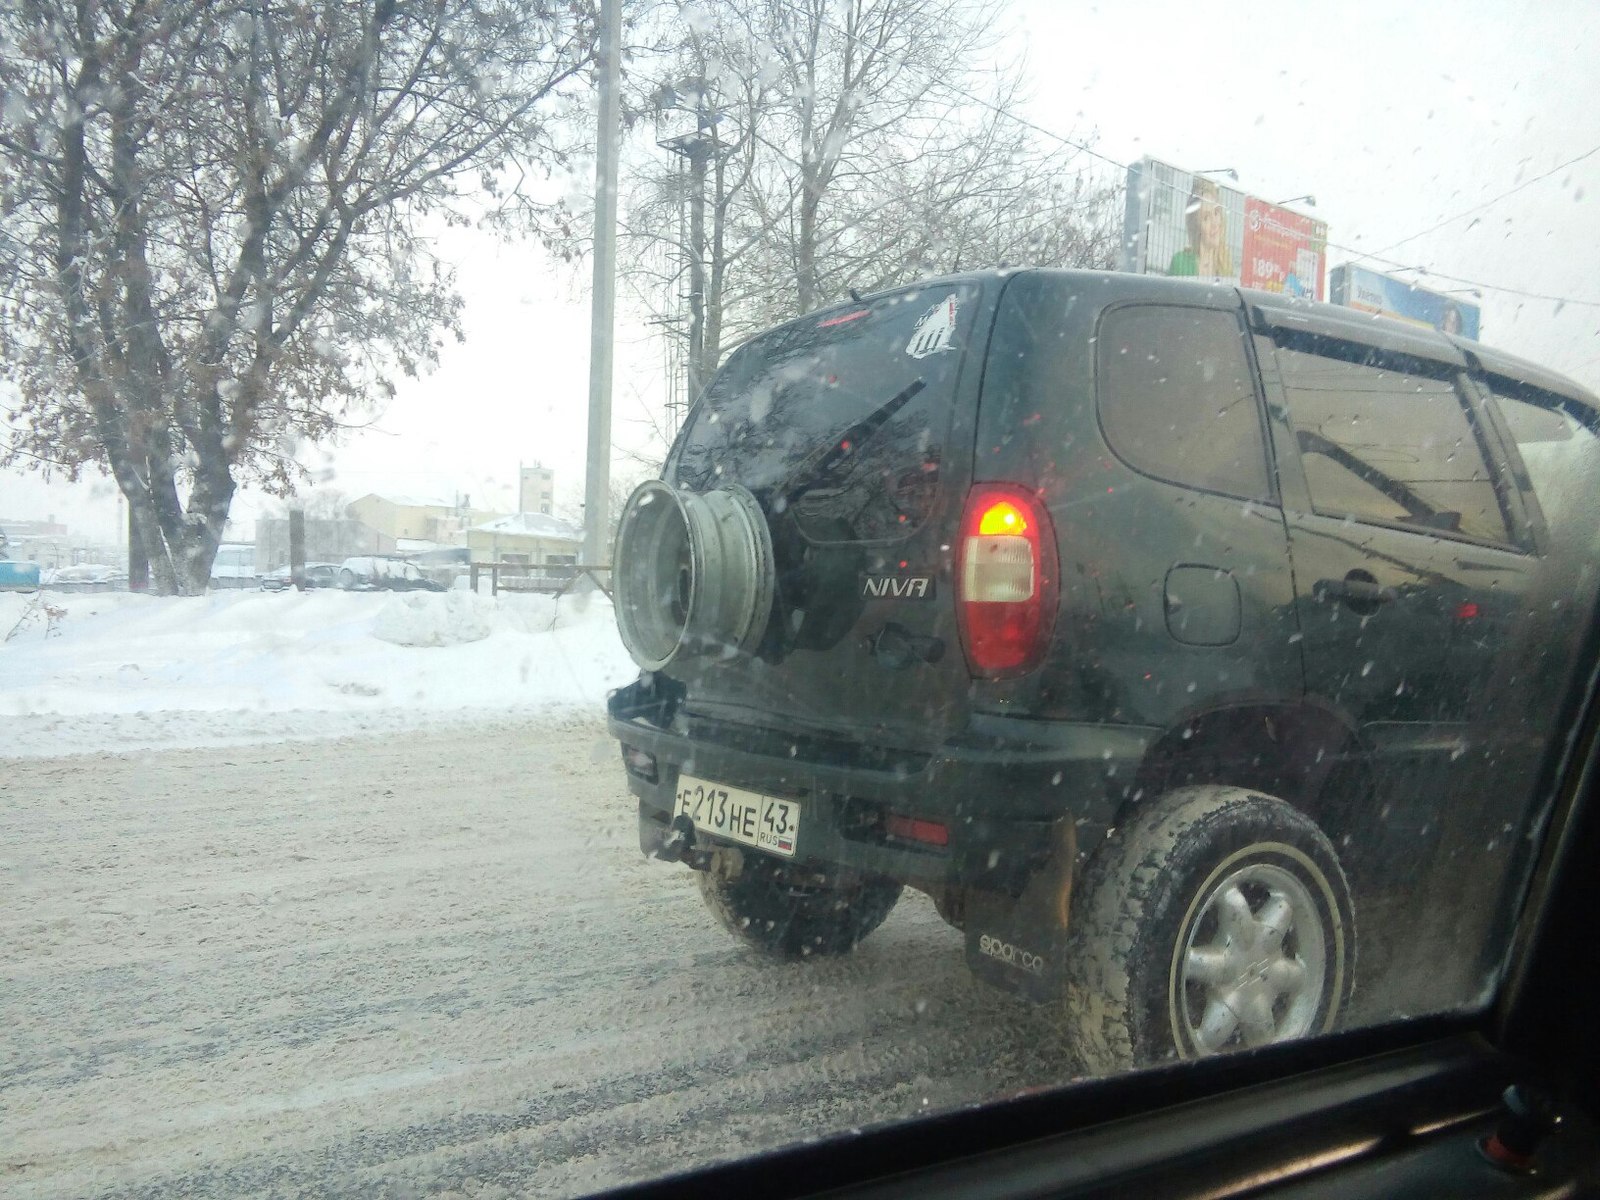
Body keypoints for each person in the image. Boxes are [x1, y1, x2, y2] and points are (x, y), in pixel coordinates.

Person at [1168, 177, 1234, 279]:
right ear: (1196, 226)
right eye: (1206, 218)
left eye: (1216, 213)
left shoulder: (1226, 266)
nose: (1215, 223)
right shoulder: (1180, 263)